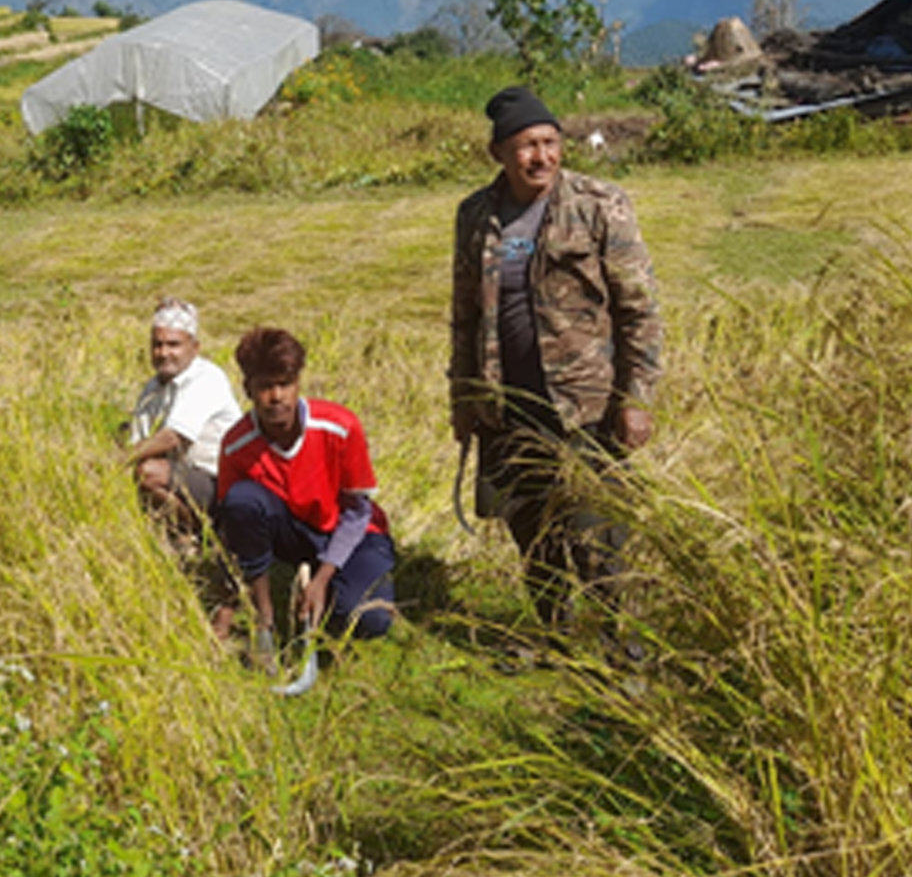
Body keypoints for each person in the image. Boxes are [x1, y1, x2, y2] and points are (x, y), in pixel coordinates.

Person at [448, 86, 664, 637]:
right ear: (498, 152)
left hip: (584, 403)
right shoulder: (476, 215)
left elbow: (638, 309)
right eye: (525, 146)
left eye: (549, 142)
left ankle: (621, 645)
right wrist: (465, 399)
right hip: (508, 404)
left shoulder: (598, 204)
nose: (540, 156)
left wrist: (636, 399)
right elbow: (465, 316)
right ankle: (556, 634)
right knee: (532, 528)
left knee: (599, 530)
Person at [215, 326, 396, 665]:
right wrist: (228, 608)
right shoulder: (236, 445)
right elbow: (236, 531)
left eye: (285, 384)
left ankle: (328, 594)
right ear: (248, 389)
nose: (277, 397)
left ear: (298, 383)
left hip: (350, 532)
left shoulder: (339, 427)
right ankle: (266, 620)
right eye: (266, 387)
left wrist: (323, 577)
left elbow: (358, 513)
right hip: (294, 531)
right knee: (241, 499)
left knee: (370, 619)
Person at [124, 297, 244, 636]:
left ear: (194, 347)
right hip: (189, 478)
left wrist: (115, 461)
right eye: (157, 345)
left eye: (174, 345)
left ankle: (196, 532)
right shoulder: (154, 387)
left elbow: (173, 436)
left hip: (223, 480)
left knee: (147, 472)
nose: (164, 353)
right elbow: (140, 437)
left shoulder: (207, 378)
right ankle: (183, 533)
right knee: (142, 467)